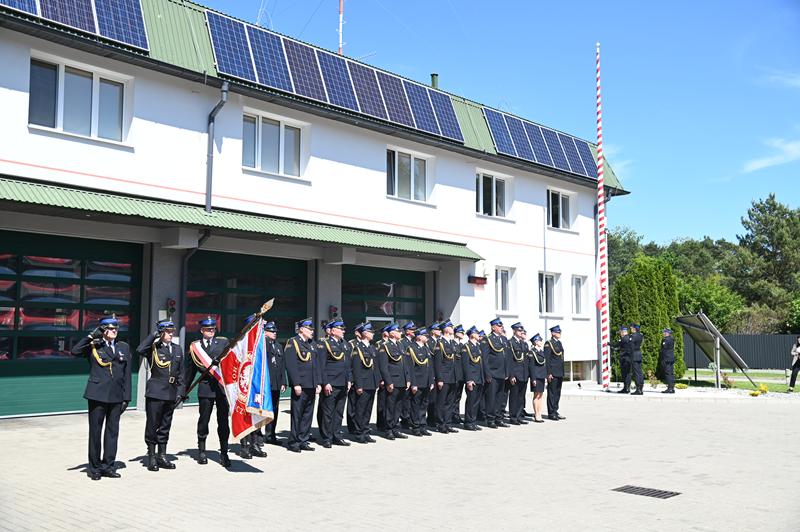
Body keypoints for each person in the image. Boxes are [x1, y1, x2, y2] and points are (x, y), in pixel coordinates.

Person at [71, 315, 133, 480]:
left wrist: (127, 398)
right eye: (110, 329)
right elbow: (75, 351)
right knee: (95, 432)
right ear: (103, 330)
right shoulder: (94, 345)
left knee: (112, 433)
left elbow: (127, 374)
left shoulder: (123, 347)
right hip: (97, 395)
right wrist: (91, 336)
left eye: (116, 328)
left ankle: (108, 466)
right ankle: (94, 468)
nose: (114, 331)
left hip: (116, 396)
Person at [137, 319, 185, 471]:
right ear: (161, 333)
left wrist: (180, 393)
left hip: (171, 392)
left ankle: (162, 455)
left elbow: (181, 373)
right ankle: (151, 456)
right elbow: (140, 349)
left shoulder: (177, 349)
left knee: (165, 426)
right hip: (156, 392)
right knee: (153, 425)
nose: (171, 334)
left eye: (172, 331)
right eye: (167, 332)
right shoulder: (153, 348)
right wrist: (153, 335)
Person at [186, 316, 232, 467]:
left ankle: (224, 452)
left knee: (223, 422)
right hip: (205, 388)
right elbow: (190, 371)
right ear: (202, 330)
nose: (211, 331)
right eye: (208, 329)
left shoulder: (223, 343)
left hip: (221, 388)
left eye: (213, 328)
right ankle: (201, 451)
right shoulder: (195, 347)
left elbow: (231, 362)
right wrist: (183, 390)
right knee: (204, 421)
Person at [284, 318, 320, 453]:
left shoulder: (312, 344)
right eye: (309, 329)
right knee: (297, 414)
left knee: (307, 414)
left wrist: (317, 383)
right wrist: (296, 383)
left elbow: (316, 366)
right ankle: (293, 442)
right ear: (301, 329)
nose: (312, 331)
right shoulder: (293, 342)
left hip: (311, 384)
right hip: (301, 385)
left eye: (312, 329)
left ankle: (303, 440)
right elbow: (291, 365)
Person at [316, 320, 352, 448]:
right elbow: (321, 365)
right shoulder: (324, 344)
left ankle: (337, 435)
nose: (343, 331)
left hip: (343, 382)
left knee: (339, 412)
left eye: (343, 329)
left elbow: (348, 365)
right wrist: (325, 382)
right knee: (328, 412)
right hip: (331, 383)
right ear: (332, 331)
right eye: (340, 329)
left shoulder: (345, 344)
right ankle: (327, 438)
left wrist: (349, 380)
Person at [377, 323, 411, 440]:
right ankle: (388, 429)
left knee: (398, 406)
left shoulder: (400, 345)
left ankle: (396, 428)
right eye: (398, 331)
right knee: (390, 406)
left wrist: (408, 379)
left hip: (402, 380)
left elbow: (405, 364)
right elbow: (383, 367)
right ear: (392, 333)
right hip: (393, 381)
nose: (400, 333)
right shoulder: (385, 346)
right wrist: (388, 382)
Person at [350, 322, 380, 443]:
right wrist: (359, 385)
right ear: (365, 333)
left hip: (372, 383)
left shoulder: (372, 348)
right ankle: (359, 433)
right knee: (360, 409)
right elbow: (356, 369)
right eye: (371, 332)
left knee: (368, 410)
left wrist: (377, 382)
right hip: (363, 383)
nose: (373, 334)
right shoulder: (358, 348)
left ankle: (366, 431)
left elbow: (376, 367)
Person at [482, 318, 510, 428]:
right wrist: (487, 374)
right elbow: (485, 359)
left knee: (500, 398)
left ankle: (499, 418)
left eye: (501, 326)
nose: (501, 327)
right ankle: (490, 419)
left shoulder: (504, 339)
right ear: (493, 327)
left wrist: (507, 372)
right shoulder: (487, 339)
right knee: (491, 398)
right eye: (499, 326)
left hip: (502, 373)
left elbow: (506, 357)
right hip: (493, 373)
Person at [407, 327, 434, 436]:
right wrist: (413, 384)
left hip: (426, 382)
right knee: (415, 405)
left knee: (424, 404)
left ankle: (423, 425)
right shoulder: (411, 349)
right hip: (417, 382)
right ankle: (416, 426)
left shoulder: (426, 349)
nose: (427, 337)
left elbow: (430, 367)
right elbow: (410, 368)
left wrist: (431, 381)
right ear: (419, 337)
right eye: (425, 335)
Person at [433, 320, 459, 434]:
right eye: (451, 327)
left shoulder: (452, 343)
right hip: (444, 377)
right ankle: (440, 424)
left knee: (450, 402)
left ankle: (448, 423)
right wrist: (439, 379)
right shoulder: (440, 344)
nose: (453, 328)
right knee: (441, 402)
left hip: (452, 377)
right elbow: (438, 363)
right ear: (446, 329)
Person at [263, 321, 285, 445]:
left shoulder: (278, 346)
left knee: (274, 410)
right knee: (263, 410)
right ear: (265, 332)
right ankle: (259, 436)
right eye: (271, 331)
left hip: (276, 383)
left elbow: (282, 366)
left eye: (275, 331)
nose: (274, 333)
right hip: (266, 383)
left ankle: (271, 435)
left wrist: (283, 382)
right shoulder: (263, 344)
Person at [461, 326, 485, 431]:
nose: (478, 334)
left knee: (476, 402)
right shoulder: (466, 347)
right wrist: (469, 380)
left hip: (479, 378)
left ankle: (473, 421)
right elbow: (466, 365)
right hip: (472, 379)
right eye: (476, 333)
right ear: (472, 335)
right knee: (471, 401)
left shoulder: (477, 347)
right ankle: (468, 422)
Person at [507, 322, 530, 425]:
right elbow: (509, 360)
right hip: (516, 375)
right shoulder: (510, 343)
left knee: (521, 397)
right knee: (514, 397)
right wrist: (511, 375)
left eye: (522, 331)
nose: (521, 332)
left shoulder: (523, 343)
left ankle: (519, 415)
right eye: (519, 330)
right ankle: (513, 417)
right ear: (514, 331)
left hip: (523, 374)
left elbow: (526, 360)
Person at [544, 325, 566, 421]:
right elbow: (547, 359)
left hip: (559, 371)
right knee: (552, 393)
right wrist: (548, 373)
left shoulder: (559, 343)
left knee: (557, 392)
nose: (559, 333)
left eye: (560, 332)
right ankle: (551, 413)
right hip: (552, 372)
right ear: (553, 333)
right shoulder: (548, 344)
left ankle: (555, 410)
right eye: (557, 332)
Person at [399, 321, 417, 428]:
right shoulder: (402, 343)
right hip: (406, 373)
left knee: (412, 398)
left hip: (415, 373)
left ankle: (410, 418)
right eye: (412, 330)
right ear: (407, 332)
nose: (414, 332)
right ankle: (404, 419)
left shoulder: (414, 342)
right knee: (405, 399)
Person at [527, 333, 547, 423]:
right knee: (536, 396)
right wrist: (533, 379)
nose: (541, 342)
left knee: (540, 396)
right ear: (535, 342)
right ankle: (537, 415)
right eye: (539, 340)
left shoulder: (541, 351)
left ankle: (539, 413)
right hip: (536, 376)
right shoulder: (532, 352)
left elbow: (544, 365)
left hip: (541, 376)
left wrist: (545, 376)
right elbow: (531, 366)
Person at [610, 326, 634, 393]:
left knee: (625, 374)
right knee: (628, 374)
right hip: (629, 358)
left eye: (621, 332)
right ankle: (627, 388)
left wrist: (609, 343)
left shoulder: (624, 339)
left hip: (625, 359)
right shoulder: (629, 338)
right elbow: (623, 347)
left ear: (623, 332)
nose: (620, 333)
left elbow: (616, 344)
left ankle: (625, 389)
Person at [451, 324, 466, 424]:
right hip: (454, 375)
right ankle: (451, 415)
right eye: (461, 332)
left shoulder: (462, 346)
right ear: (456, 333)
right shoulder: (452, 344)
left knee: (458, 397)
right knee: (452, 397)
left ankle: (456, 414)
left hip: (461, 375)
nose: (463, 334)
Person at [658, 328, 676, 394]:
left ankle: (669, 388)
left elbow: (664, 350)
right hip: (671, 358)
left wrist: (662, 359)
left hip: (666, 358)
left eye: (664, 332)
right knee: (671, 373)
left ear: (667, 333)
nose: (663, 333)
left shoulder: (666, 340)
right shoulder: (672, 339)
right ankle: (672, 388)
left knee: (668, 373)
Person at [629, 323, 644, 395]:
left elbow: (631, 347)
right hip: (639, 354)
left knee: (636, 373)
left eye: (631, 328)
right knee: (640, 372)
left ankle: (638, 389)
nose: (631, 329)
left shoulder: (633, 336)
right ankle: (640, 388)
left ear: (634, 329)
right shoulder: (640, 335)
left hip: (634, 355)